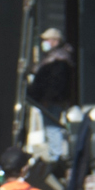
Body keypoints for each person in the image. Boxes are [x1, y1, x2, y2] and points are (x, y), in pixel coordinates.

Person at [26, 28, 76, 163]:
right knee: (51, 128)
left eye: (46, 40)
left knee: (52, 128)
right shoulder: (52, 57)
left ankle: (56, 158)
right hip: (49, 100)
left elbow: (55, 83)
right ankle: (55, 156)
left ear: (54, 41)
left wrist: (47, 98)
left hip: (52, 100)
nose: (44, 43)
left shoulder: (59, 59)